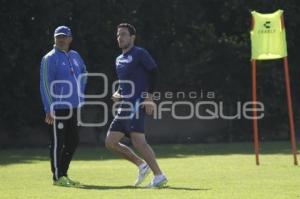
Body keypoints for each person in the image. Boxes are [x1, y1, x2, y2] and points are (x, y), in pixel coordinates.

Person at [105, 23, 168, 188]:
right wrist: (118, 92)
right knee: (110, 142)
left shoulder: (140, 53)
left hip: (137, 104)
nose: (120, 38)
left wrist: (149, 98)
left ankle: (159, 176)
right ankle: (142, 165)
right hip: (123, 107)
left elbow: (154, 72)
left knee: (139, 141)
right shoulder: (118, 59)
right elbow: (124, 81)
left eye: (124, 34)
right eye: (118, 35)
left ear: (132, 37)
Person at [40, 25, 87, 187]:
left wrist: (80, 93)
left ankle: (64, 174)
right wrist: (49, 108)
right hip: (58, 108)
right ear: (54, 39)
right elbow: (45, 84)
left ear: (70, 39)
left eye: (64, 36)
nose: (61, 39)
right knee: (58, 142)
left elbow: (84, 72)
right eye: (58, 37)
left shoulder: (75, 55)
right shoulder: (49, 58)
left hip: (73, 107)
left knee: (73, 140)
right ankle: (57, 177)